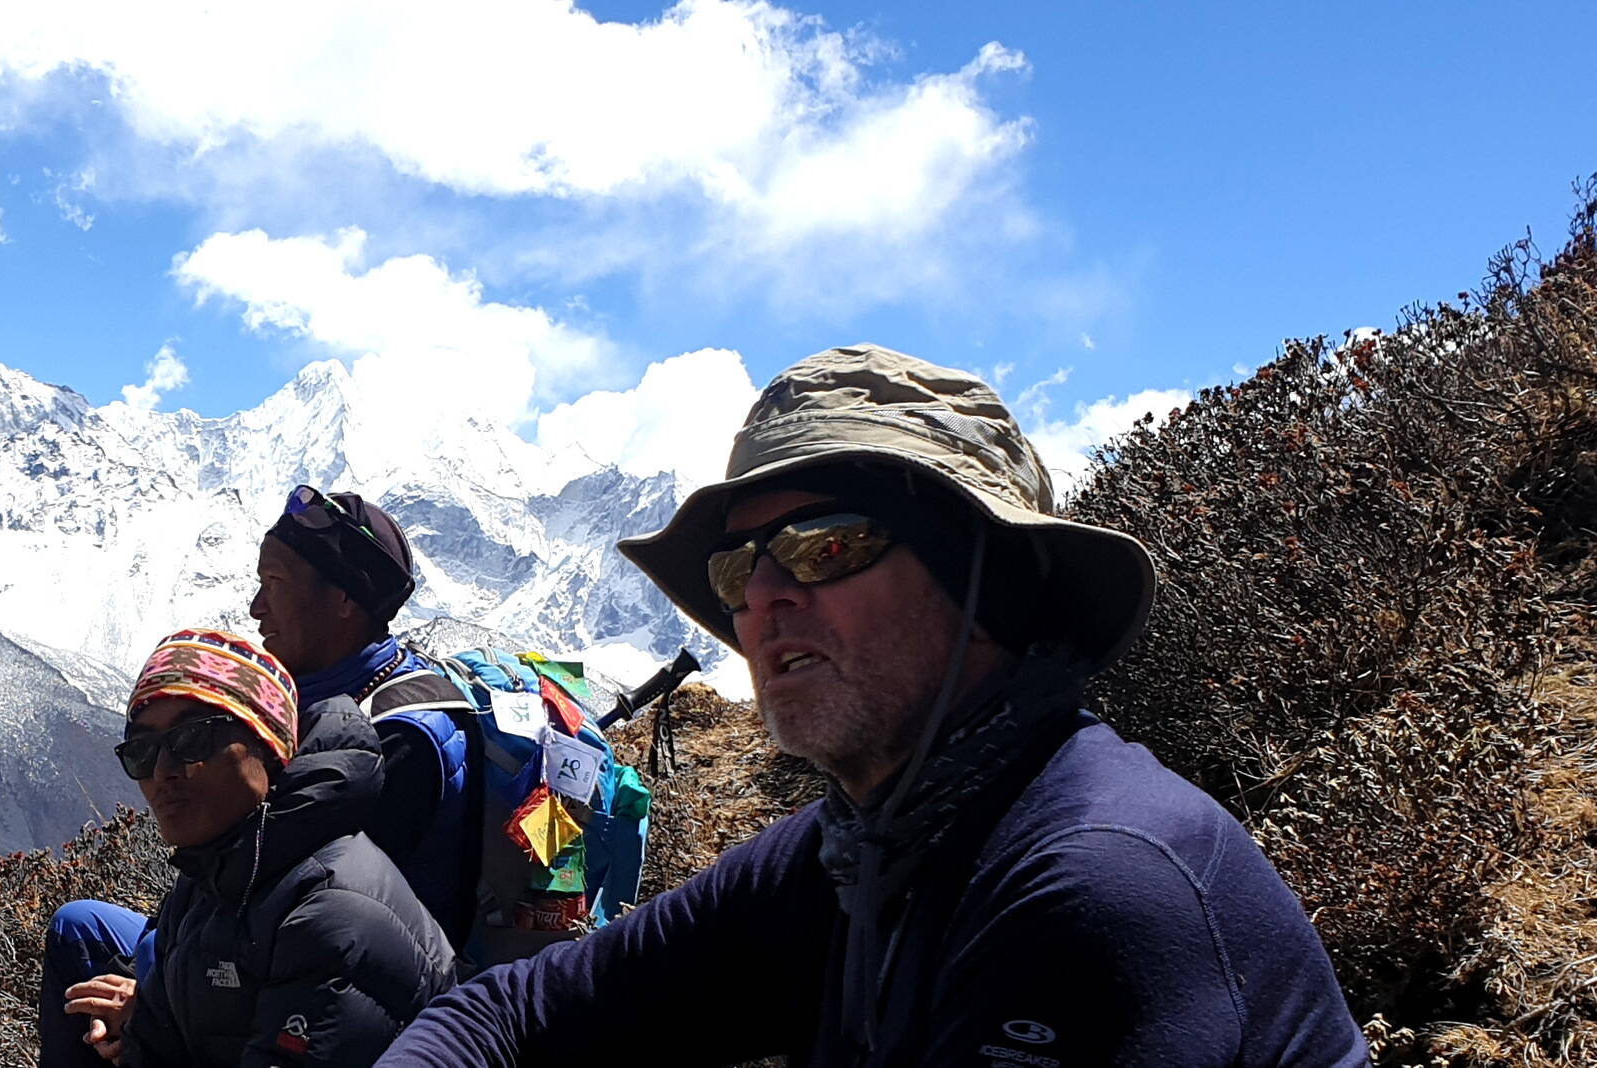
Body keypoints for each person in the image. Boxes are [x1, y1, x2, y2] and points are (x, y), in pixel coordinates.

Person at [378, 345, 1368, 1067]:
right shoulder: (858, 848)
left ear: (985, 581)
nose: (764, 597)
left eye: (827, 545)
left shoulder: (1095, 887)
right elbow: (510, 1015)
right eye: (737, 568)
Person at [47, 628, 454, 1067]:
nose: (163, 771)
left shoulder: (329, 915)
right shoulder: (219, 868)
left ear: (267, 746)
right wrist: (137, 1030)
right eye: (141, 752)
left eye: (193, 740)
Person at [250, 485, 479, 951]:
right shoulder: (354, 692)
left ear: (344, 599)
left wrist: (156, 982)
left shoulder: (394, 742)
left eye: (274, 583)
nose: (256, 607)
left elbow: (292, 907)